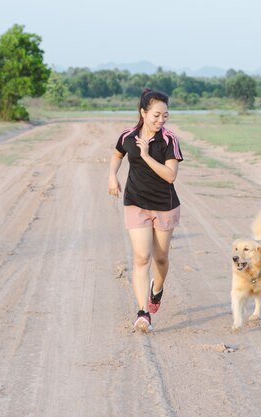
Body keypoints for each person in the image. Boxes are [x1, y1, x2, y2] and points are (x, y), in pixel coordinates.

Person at [108, 89, 184, 332]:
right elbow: (117, 154)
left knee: (160, 258)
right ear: (143, 113)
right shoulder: (128, 136)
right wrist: (112, 176)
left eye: (165, 116)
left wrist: (145, 155)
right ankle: (143, 313)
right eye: (156, 115)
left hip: (164, 205)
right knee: (141, 257)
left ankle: (157, 289)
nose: (161, 120)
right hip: (136, 202)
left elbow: (170, 176)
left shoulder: (169, 140)